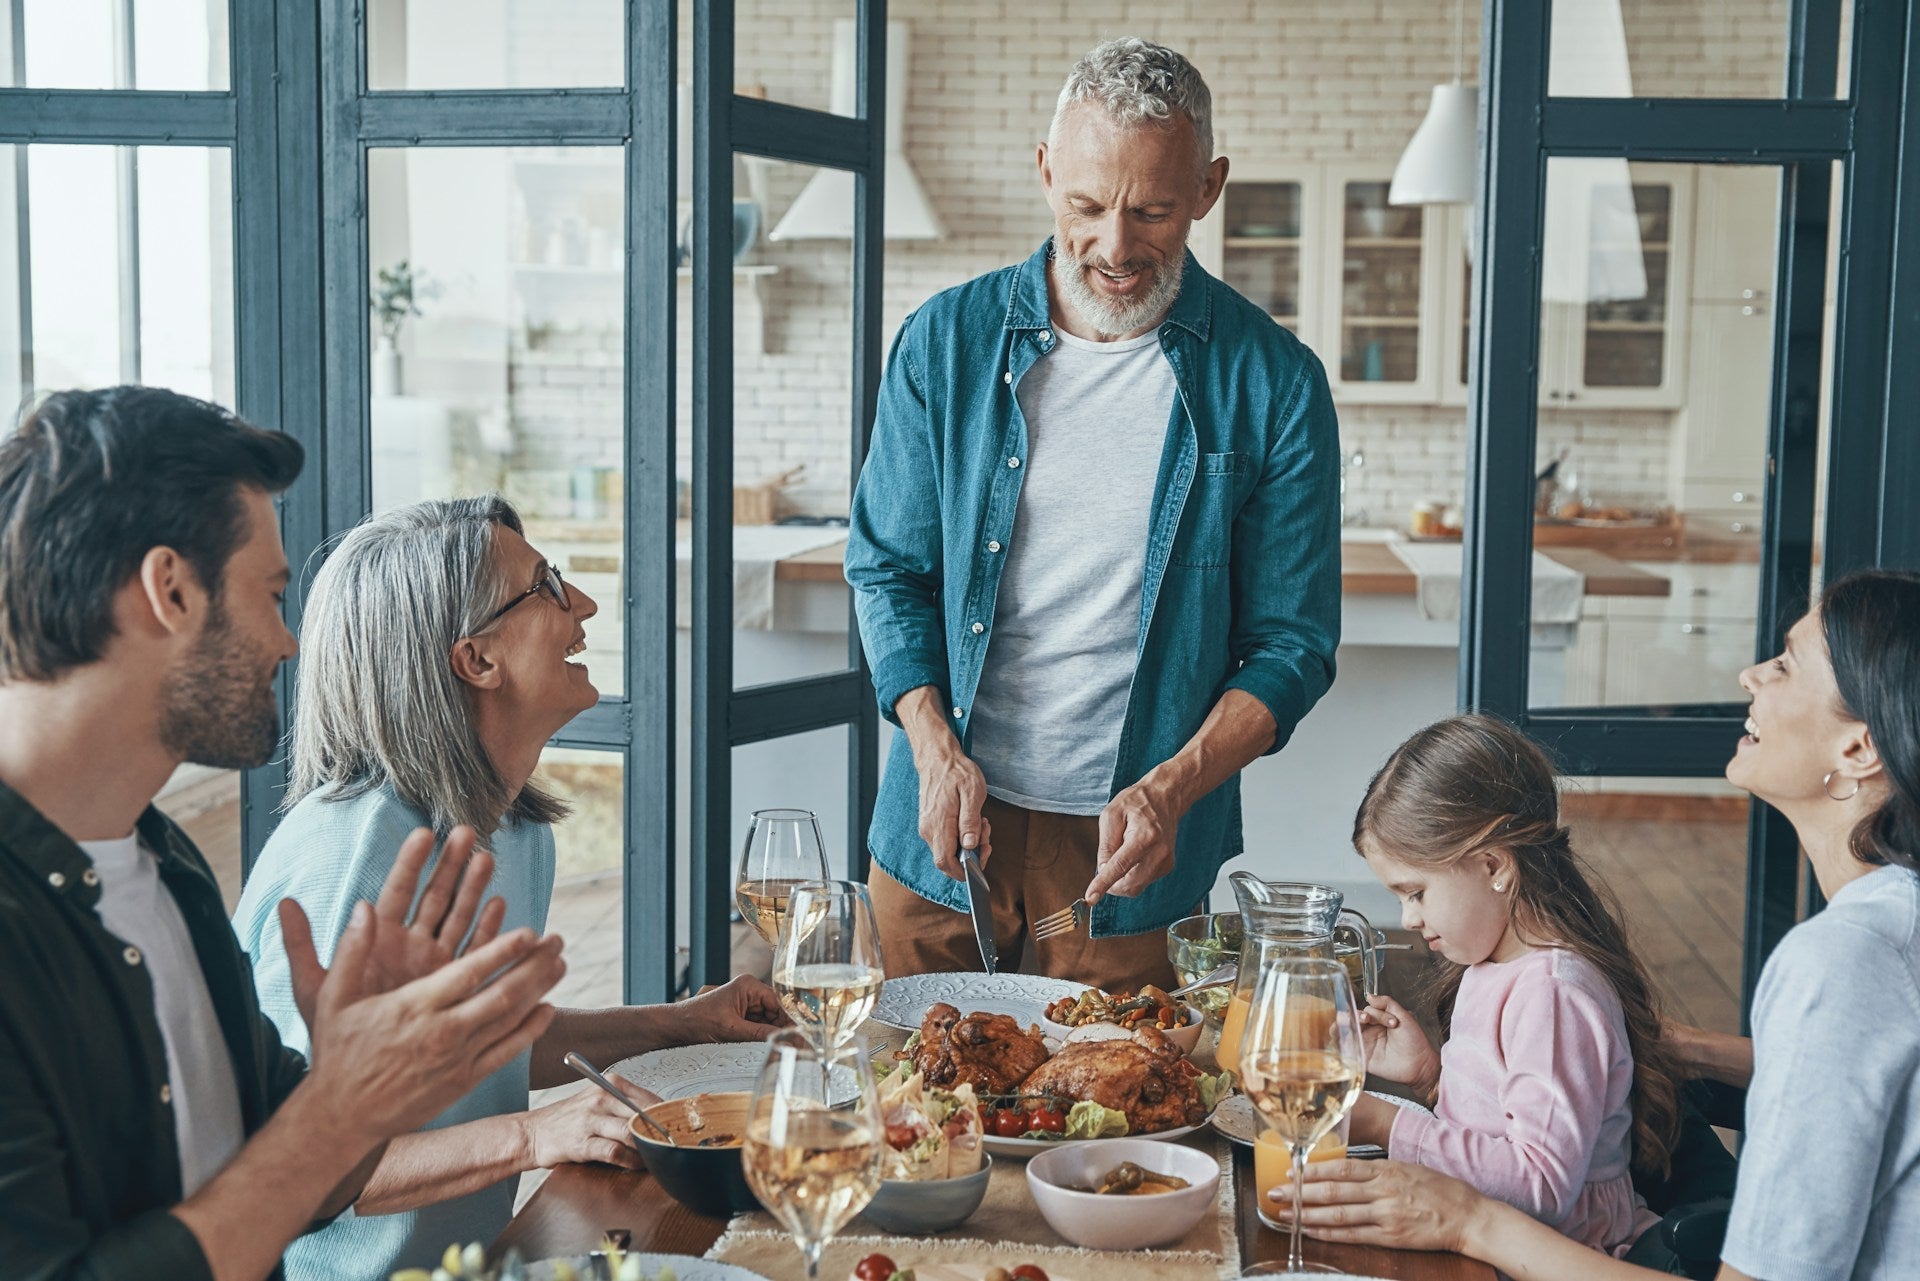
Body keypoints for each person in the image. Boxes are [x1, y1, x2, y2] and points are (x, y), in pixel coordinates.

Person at [0, 387, 566, 1281]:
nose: (292, 642)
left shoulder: (166, 867)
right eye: (269, 593)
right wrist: (341, 1108)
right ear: (171, 591)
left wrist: (389, 1066)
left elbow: (295, 1174)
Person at [845, 37, 1340, 987]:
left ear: (1209, 188)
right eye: (1086, 205)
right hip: (943, 827)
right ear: (1044, 173)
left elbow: (1293, 644)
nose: (1116, 247)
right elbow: (888, 570)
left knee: (1114, 1123)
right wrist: (933, 744)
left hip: (1138, 848)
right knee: (904, 1112)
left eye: (1152, 209)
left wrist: (1174, 788)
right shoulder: (941, 343)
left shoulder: (1274, 381)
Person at [1285, 568, 1920, 1281]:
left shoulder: (1845, 962)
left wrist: (1461, 1213)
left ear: (1859, 748)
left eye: (1784, 664)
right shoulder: (1891, 929)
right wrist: (1439, 1077)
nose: (1749, 674)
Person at [233, 497, 788, 1279]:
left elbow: (480, 1045)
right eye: (547, 587)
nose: (585, 605)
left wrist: (681, 1022)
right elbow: (294, 1158)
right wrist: (533, 1136)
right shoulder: (353, 861)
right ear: (477, 660)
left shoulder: (515, 831)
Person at [1344, 714, 1683, 1256]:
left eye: (1416, 892)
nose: (1407, 918)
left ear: (1494, 865)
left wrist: (1385, 1124)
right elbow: (1501, 1122)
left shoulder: (1552, 994)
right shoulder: (1492, 965)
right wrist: (1429, 1076)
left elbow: (1539, 1185)